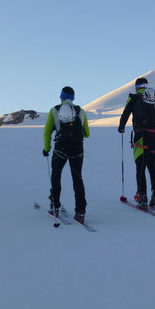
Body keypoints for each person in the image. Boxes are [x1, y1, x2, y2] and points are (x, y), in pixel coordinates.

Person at [43, 86, 90, 223]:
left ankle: (55, 206)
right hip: (77, 149)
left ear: (61, 97)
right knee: (77, 179)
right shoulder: (81, 112)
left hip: (60, 149)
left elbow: (47, 132)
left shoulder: (54, 110)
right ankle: (80, 211)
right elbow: (87, 134)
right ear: (73, 98)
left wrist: (47, 148)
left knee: (56, 175)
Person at [118, 78, 155, 210]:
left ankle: (142, 197)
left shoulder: (134, 98)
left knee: (140, 166)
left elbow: (126, 113)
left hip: (141, 137)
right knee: (152, 165)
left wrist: (121, 127)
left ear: (136, 87)